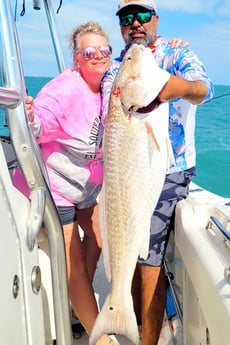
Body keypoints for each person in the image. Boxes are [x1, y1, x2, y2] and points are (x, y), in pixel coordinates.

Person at [101, 1, 214, 345]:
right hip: (126, 167)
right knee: (126, 247)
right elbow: (111, 105)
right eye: (126, 17)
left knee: (149, 259)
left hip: (171, 169)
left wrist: (175, 88)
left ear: (156, 20)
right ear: (121, 24)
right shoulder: (115, 67)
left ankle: (146, 339)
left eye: (142, 15)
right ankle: (126, 316)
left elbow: (202, 88)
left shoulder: (177, 52)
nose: (135, 23)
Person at [13, 21, 119, 345]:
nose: (98, 56)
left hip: (86, 188)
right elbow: (38, 125)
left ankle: (78, 303)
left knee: (99, 237)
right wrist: (29, 116)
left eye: (105, 50)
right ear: (76, 58)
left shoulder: (108, 83)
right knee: (72, 259)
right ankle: (99, 336)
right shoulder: (64, 91)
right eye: (90, 51)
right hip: (57, 186)